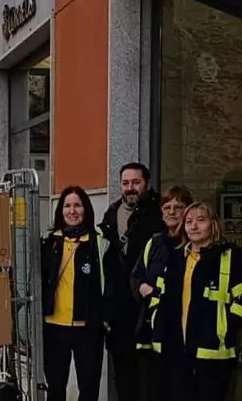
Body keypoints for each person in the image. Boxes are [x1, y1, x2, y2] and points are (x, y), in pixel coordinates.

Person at [150, 202, 242, 401]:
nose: (194, 226)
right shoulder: (175, 258)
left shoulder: (231, 257)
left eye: (201, 220)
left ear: (213, 224)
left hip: (212, 351)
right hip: (175, 349)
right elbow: (158, 296)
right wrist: (156, 322)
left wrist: (226, 327)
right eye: (189, 221)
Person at [98, 162, 166, 401]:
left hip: (148, 306)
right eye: (125, 183)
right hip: (119, 308)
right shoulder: (111, 213)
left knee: (152, 374)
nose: (130, 188)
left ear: (147, 184)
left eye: (136, 183)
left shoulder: (160, 213)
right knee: (124, 373)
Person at [41, 186, 108, 401]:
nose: (72, 211)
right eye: (67, 206)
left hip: (88, 329)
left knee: (88, 388)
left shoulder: (100, 243)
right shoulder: (48, 242)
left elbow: (110, 284)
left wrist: (104, 318)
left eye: (77, 205)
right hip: (53, 327)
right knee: (55, 387)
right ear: (60, 211)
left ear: (86, 209)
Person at [132, 185, 195, 401]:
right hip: (153, 334)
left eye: (178, 207)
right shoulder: (155, 242)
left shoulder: (195, 246)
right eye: (167, 207)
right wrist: (144, 289)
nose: (171, 211)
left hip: (185, 335)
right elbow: (136, 276)